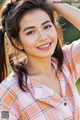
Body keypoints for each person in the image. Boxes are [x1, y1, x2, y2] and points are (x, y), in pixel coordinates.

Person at [0, 0, 80, 119]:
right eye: (30, 32)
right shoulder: (9, 91)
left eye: (47, 26)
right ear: (17, 42)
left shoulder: (67, 62)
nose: (43, 37)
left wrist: (55, 4)